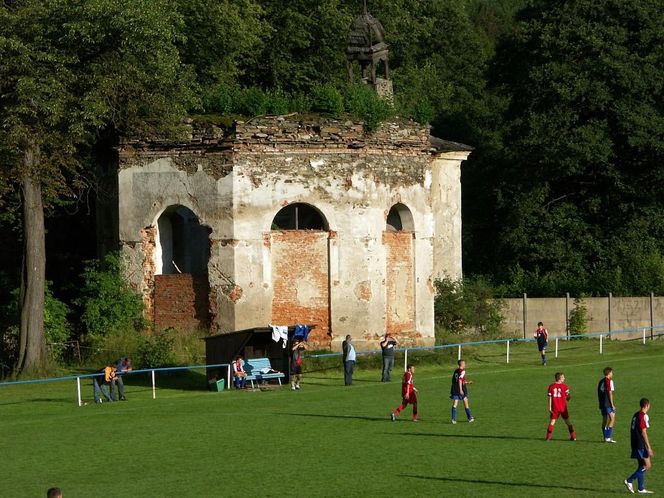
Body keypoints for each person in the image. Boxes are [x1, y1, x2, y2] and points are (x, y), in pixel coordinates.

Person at [624, 398, 654, 494]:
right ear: (647, 405)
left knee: (641, 465)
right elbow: (643, 432)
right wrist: (648, 447)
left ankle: (641, 488)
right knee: (647, 465)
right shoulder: (643, 416)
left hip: (634, 442)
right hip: (640, 444)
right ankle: (629, 480)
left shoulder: (636, 415)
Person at [546, 372, 576, 441]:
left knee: (552, 422)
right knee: (568, 422)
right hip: (563, 408)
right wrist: (568, 397)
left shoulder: (551, 386)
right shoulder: (565, 387)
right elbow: (568, 398)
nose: (564, 378)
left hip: (555, 408)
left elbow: (550, 398)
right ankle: (573, 436)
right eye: (563, 377)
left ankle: (548, 437)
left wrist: (549, 407)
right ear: (559, 378)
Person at [450, 359, 474, 424]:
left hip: (454, 388)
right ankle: (469, 418)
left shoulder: (456, 370)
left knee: (455, 404)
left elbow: (457, 380)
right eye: (464, 363)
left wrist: (467, 382)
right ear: (462, 364)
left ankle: (453, 419)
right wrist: (461, 389)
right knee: (466, 403)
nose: (465, 364)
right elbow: (460, 380)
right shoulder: (462, 371)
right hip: (461, 389)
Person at [597, 366, 616, 443]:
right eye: (611, 372)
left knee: (605, 419)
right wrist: (612, 404)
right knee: (612, 418)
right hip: (607, 403)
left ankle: (605, 437)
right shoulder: (609, 381)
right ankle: (608, 437)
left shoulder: (601, 381)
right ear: (609, 373)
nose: (612, 374)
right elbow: (610, 393)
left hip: (602, 403)